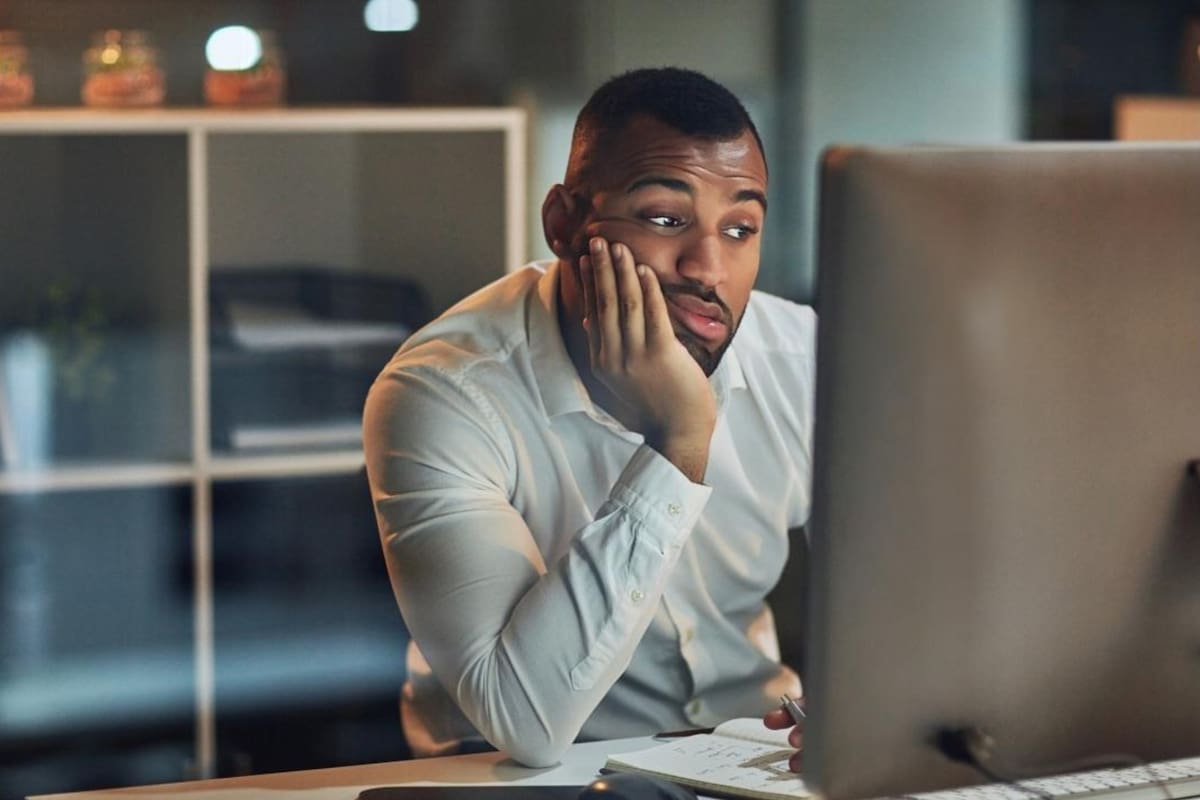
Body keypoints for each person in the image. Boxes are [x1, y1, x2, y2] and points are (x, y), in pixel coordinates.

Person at [362, 66, 812, 771]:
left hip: (750, 757)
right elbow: (525, 722)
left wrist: (871, 702)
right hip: (516, 777)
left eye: (739, 229)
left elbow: (914, 594)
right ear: (563, 224)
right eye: (665, 219)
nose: (708, 268)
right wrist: (679, 442)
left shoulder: (803, 358)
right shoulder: (442, 391)